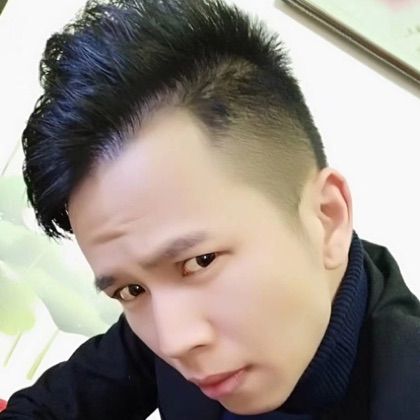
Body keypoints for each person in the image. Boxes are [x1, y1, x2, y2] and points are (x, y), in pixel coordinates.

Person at [1, 0, 420, 419]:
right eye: (130, 291)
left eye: (201, 262)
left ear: (327, 217)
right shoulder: (163, 302)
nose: (174, 342)